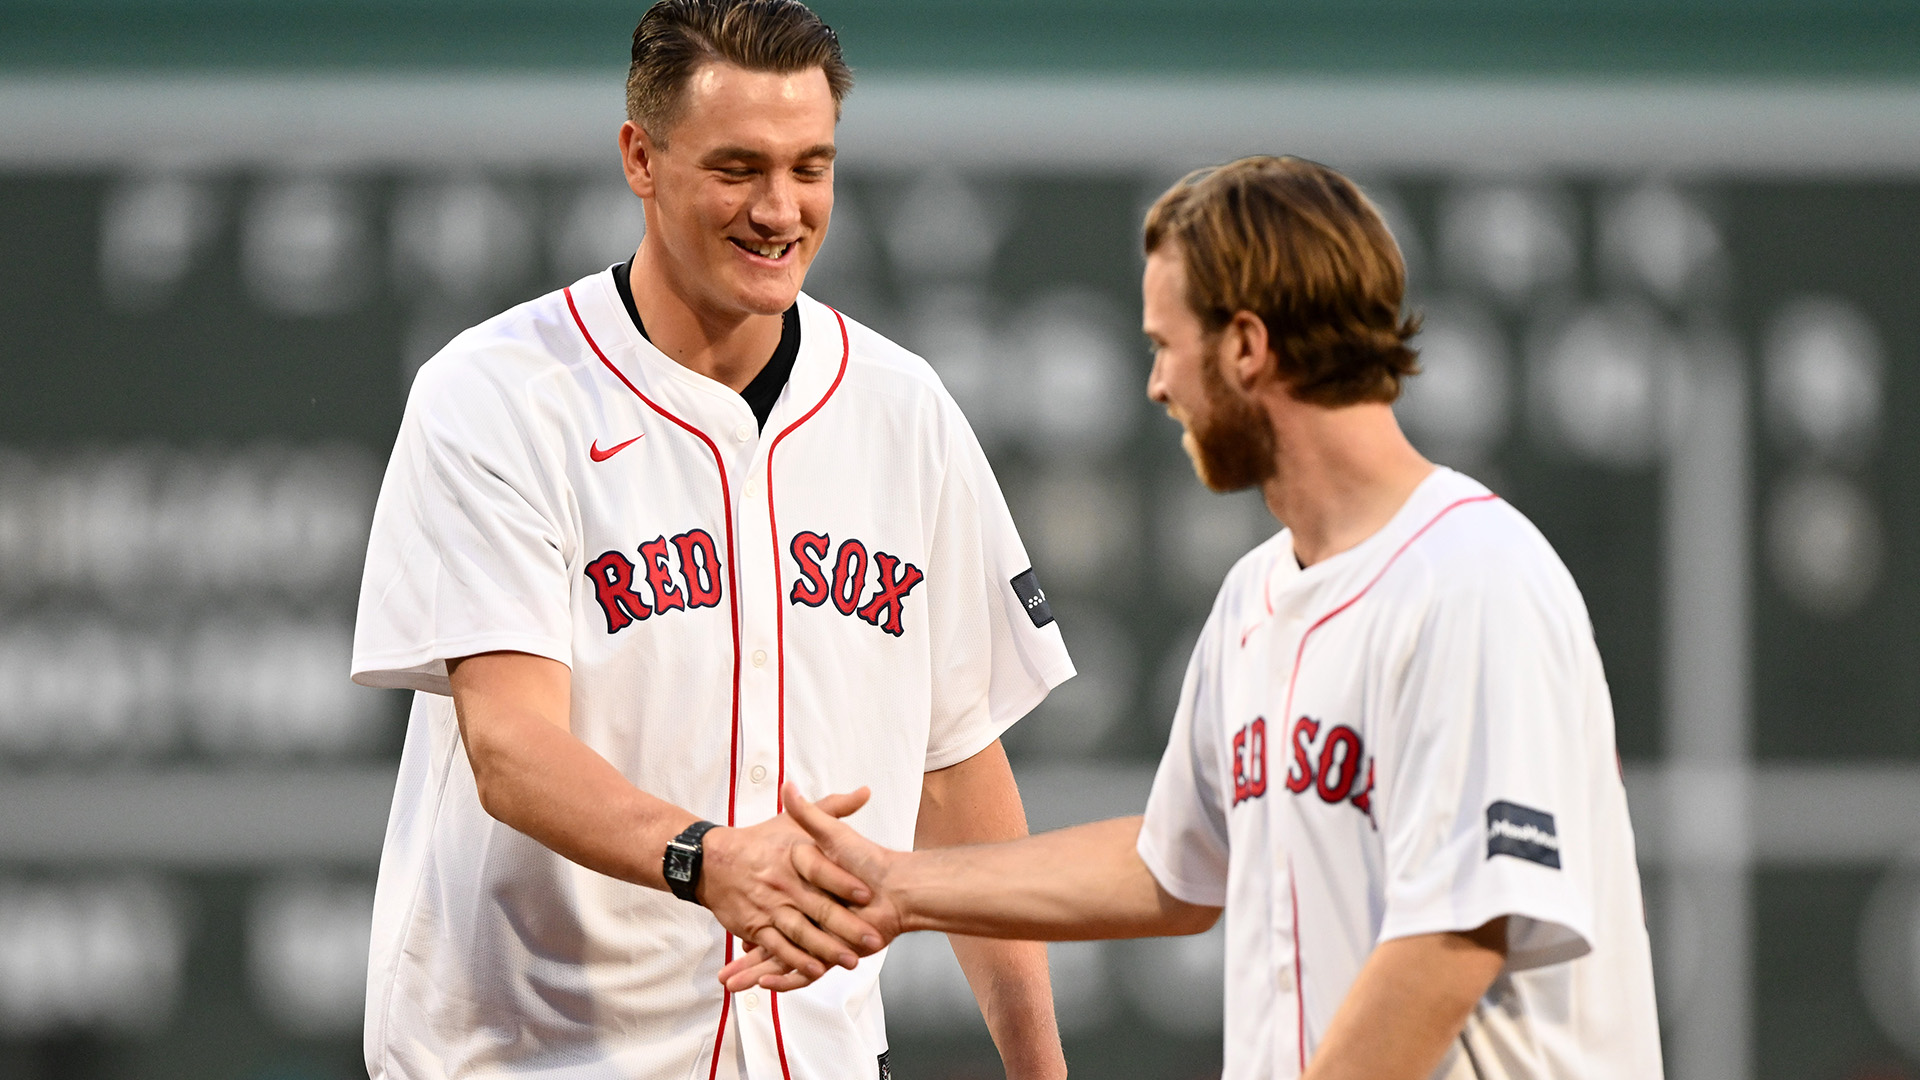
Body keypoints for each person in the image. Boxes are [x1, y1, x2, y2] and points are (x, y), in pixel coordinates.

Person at [725, 156, 1666, 1080]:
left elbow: (1454, 942)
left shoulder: (1473, 581)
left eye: (1166, 345)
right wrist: (897, 887)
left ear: (1247, 347)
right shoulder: (1255, 598)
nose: (1157, 384)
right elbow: (1170, 869)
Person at [349, 2, 1075, 1078]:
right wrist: (707, 860)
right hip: (535, 1056)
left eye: (810, 166)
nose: (781, 209)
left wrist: (1038, 1069)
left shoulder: (900, 408)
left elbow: (960, 767)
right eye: (738, 168)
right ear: (641, 158)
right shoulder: (500, 393)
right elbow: (510, 748)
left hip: (813, 1052)